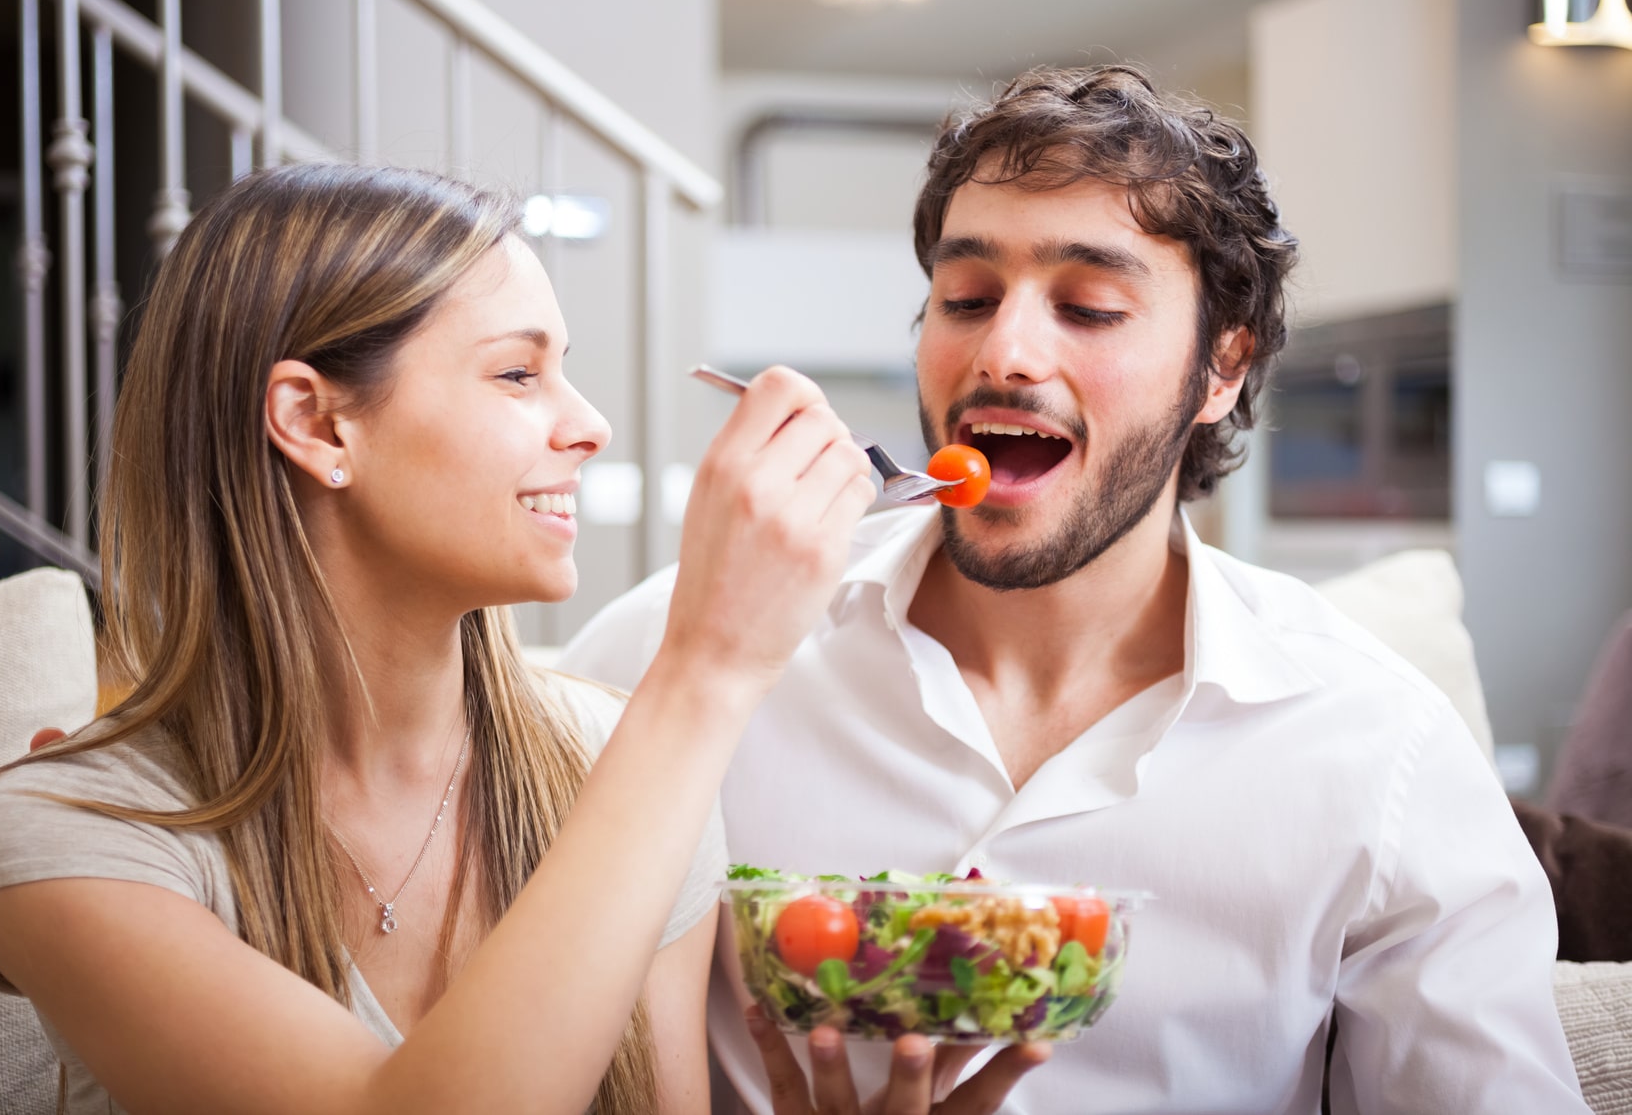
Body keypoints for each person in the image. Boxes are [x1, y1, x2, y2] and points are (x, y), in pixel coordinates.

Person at [560, 65, 1590, 1113]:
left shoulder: (1378, 751)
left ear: (1220, 369)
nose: (1002, 348)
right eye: (964, 298)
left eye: (1089, 307)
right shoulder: (668, 657)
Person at [0, 163, 1046, 1114]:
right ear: (317, 423)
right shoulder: (62, 830)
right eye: (519, 372)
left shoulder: (607, 764)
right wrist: (708, 665)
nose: (590, 423)